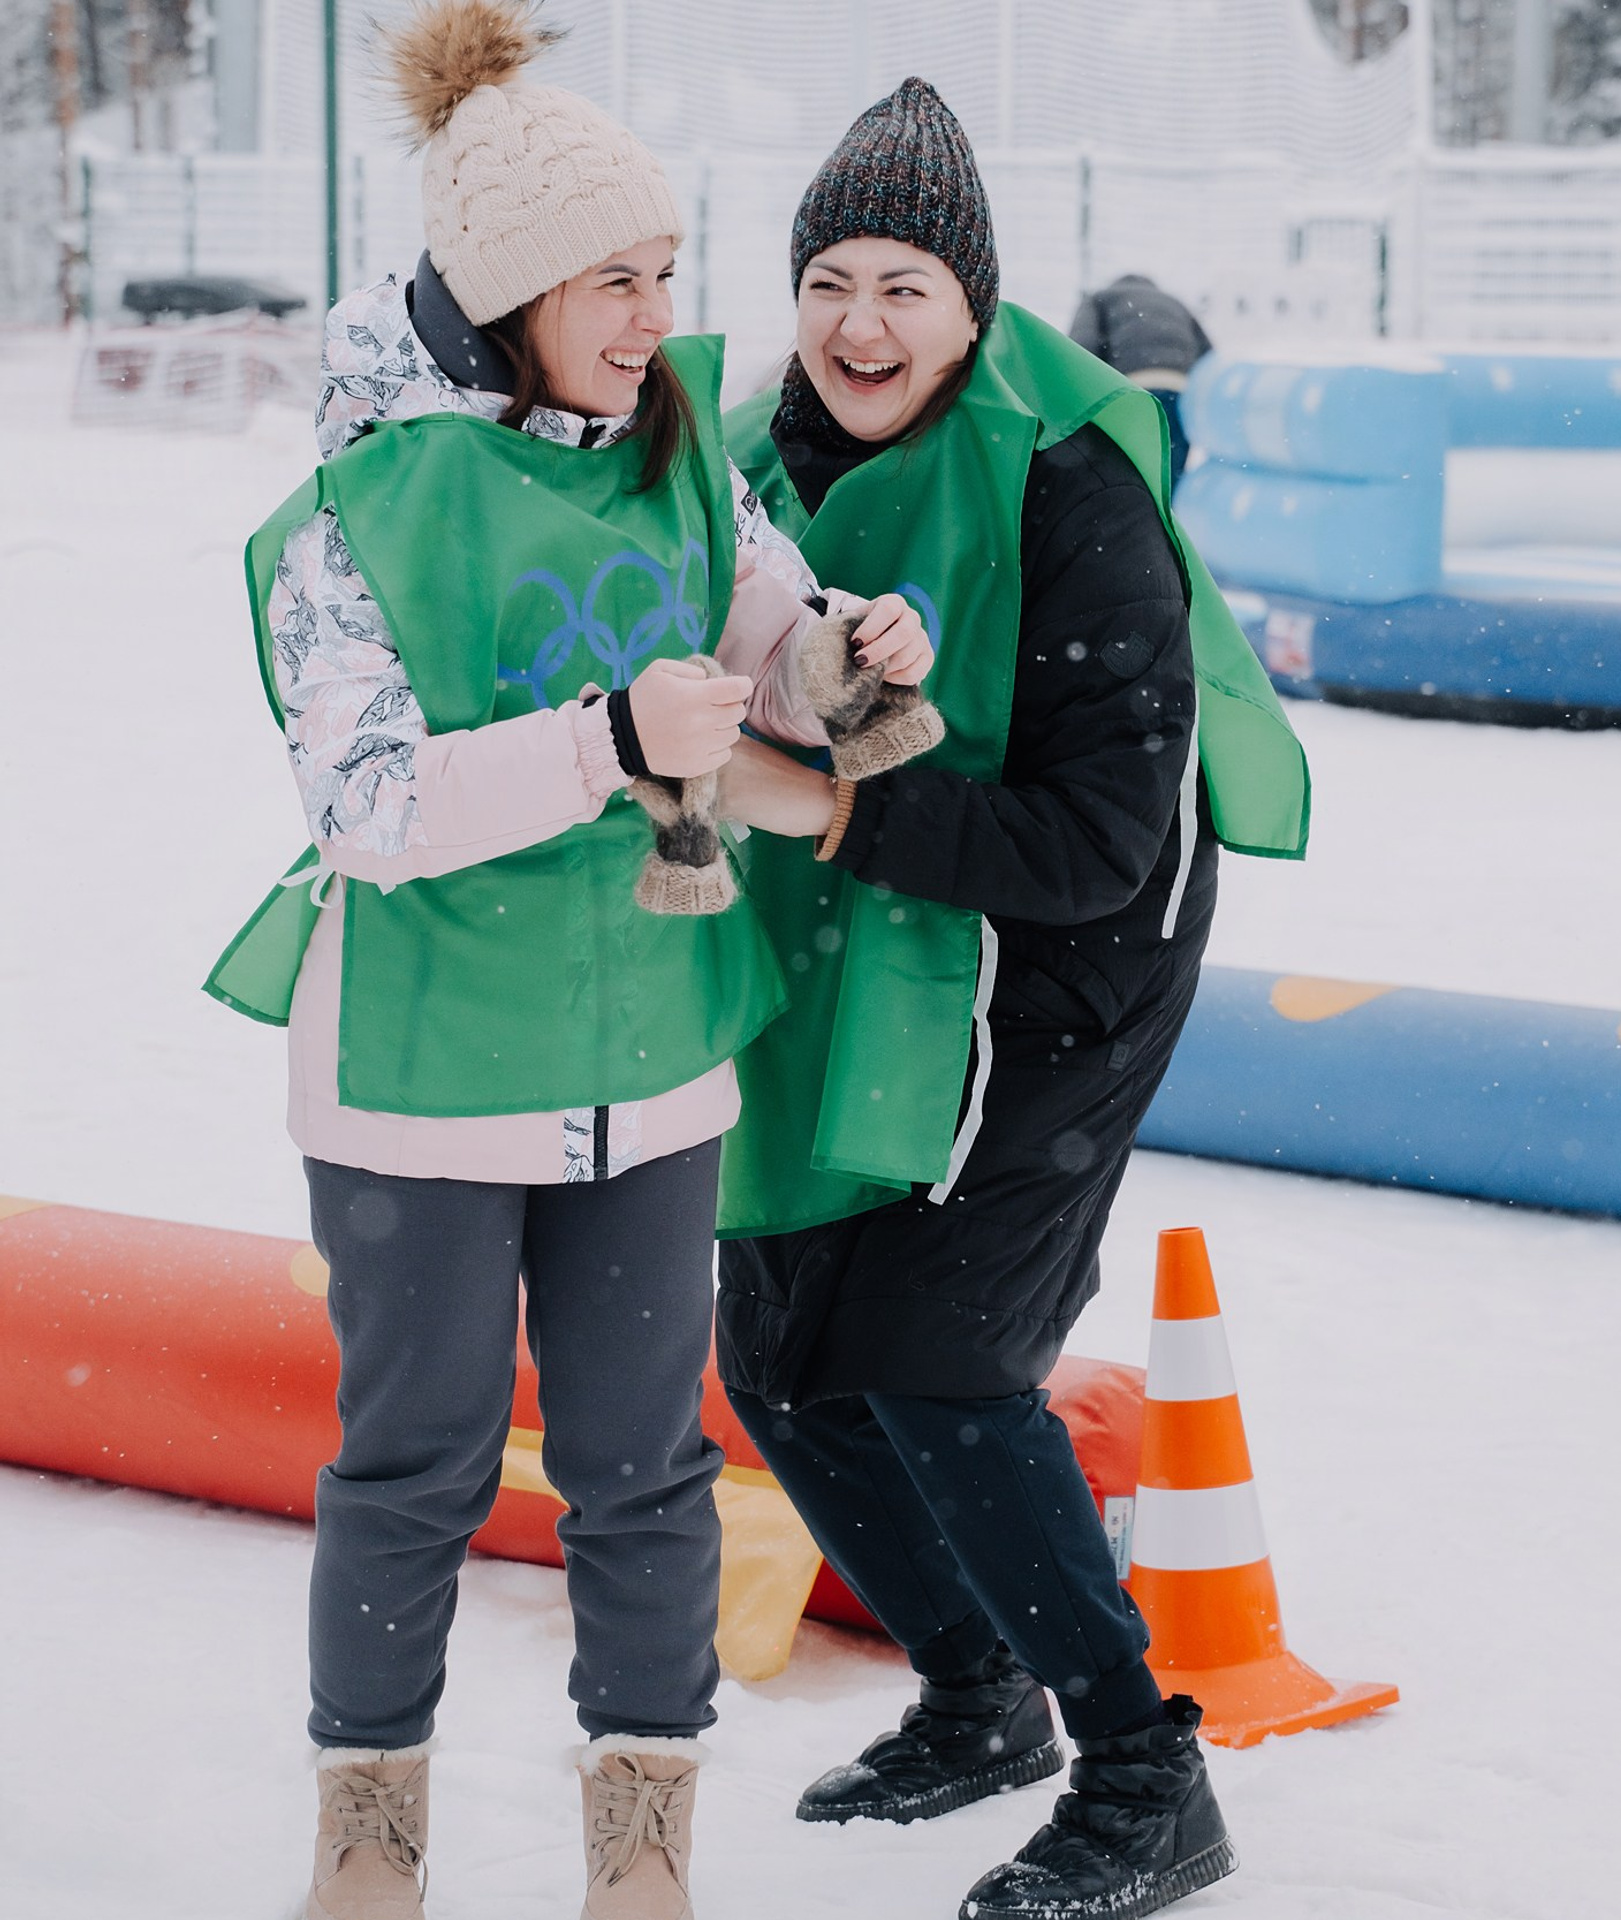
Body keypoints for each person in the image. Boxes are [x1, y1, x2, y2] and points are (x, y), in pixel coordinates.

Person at [201, 9, 929, 1918]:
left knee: (643, 1469)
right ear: (511, 289)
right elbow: (369, 802)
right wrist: (614, 740)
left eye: (667, 270)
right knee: (416, 1466)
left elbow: (783, 645)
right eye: (616, 277)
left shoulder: (685, 455)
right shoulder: (356, 515)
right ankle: (371, 1827)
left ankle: (643, 1837)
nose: (650, 311)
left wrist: (858, 653)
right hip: (426, 1070)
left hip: (650, 1054)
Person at [710, 79, 1310, 1920]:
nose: (860, 325)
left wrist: (826, 799)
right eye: (829, 278)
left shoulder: (1071, 493)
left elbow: (1100, 846)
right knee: (783, 1358)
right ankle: (978, 1697)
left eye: (906, 284)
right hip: (833, 950)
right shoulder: (746, 460)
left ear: (974, 306)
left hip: (1059, 975)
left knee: (945, 1363)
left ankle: (1147, 1772)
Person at [1068, 273, 1214, 477]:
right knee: (1169, 475)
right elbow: (1209, 355)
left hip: (1129, 391)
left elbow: (1081, 350)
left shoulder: (1100, 299)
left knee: (1128, 477)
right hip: (1179, 393)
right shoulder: (1174, 302)